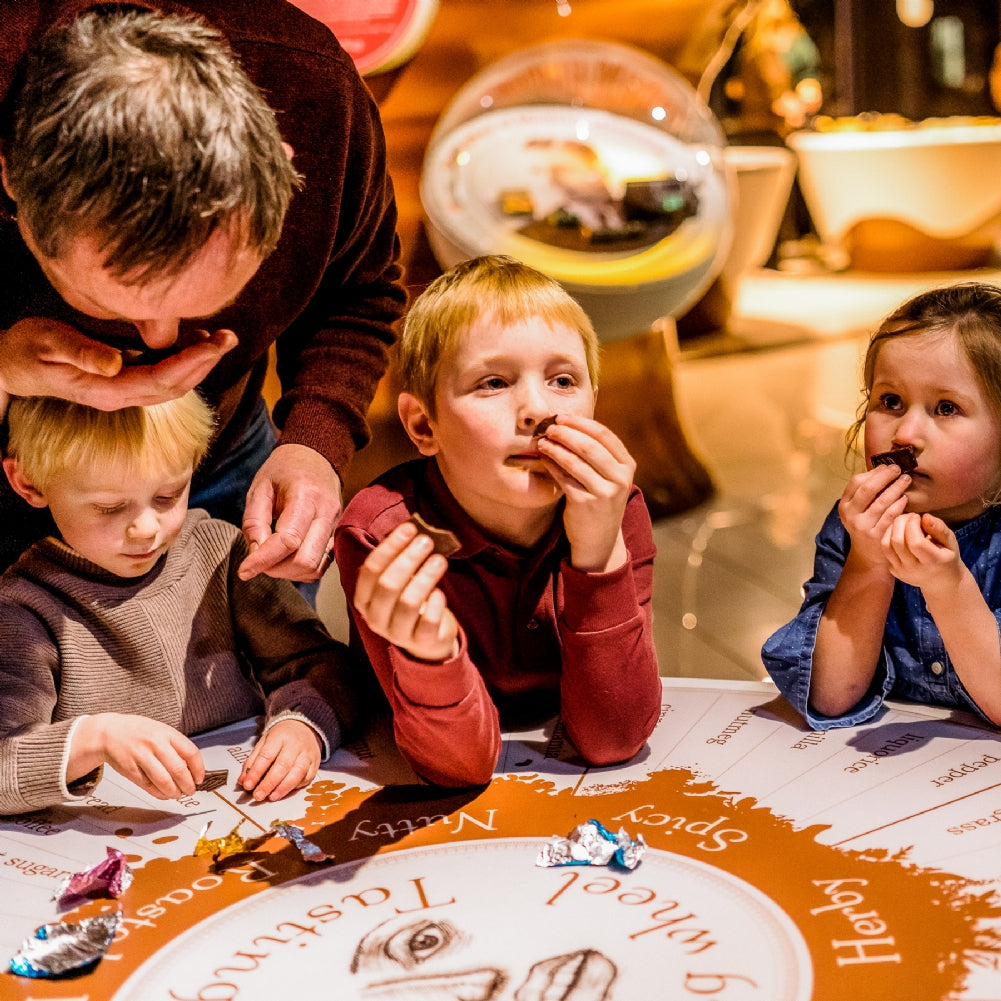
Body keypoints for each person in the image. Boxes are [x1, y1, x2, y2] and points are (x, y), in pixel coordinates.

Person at [0, 2, 406, 584]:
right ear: (11, 179)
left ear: (283, 171)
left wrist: (315, 441)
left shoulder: (320, 101)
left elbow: (357, 294)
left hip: (223, 449)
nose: (161, 345)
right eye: (108, 306)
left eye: (205, 306)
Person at [333, 255, 662, 787]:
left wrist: (600, 554)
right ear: (423, 425)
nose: (537, 410)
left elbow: (614, 737)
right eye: (493, 382)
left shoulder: (614, 508)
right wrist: (430, 654)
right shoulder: (382, 532)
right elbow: (460, 767)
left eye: (562, 380)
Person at [0, 391, 366, 816]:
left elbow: (323, 664)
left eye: (168, 495)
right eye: (109, 507)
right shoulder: (22, 609)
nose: (145, 529)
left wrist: (304, 725)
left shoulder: (220, 555)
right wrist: (93, 739)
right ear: (28, 483)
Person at [763, 282, 1001, 730]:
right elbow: (832, 696)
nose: (905, 435)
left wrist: (949, 589)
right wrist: (868, 563)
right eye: (890, 401)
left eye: (946, 408)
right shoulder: (854, 527)